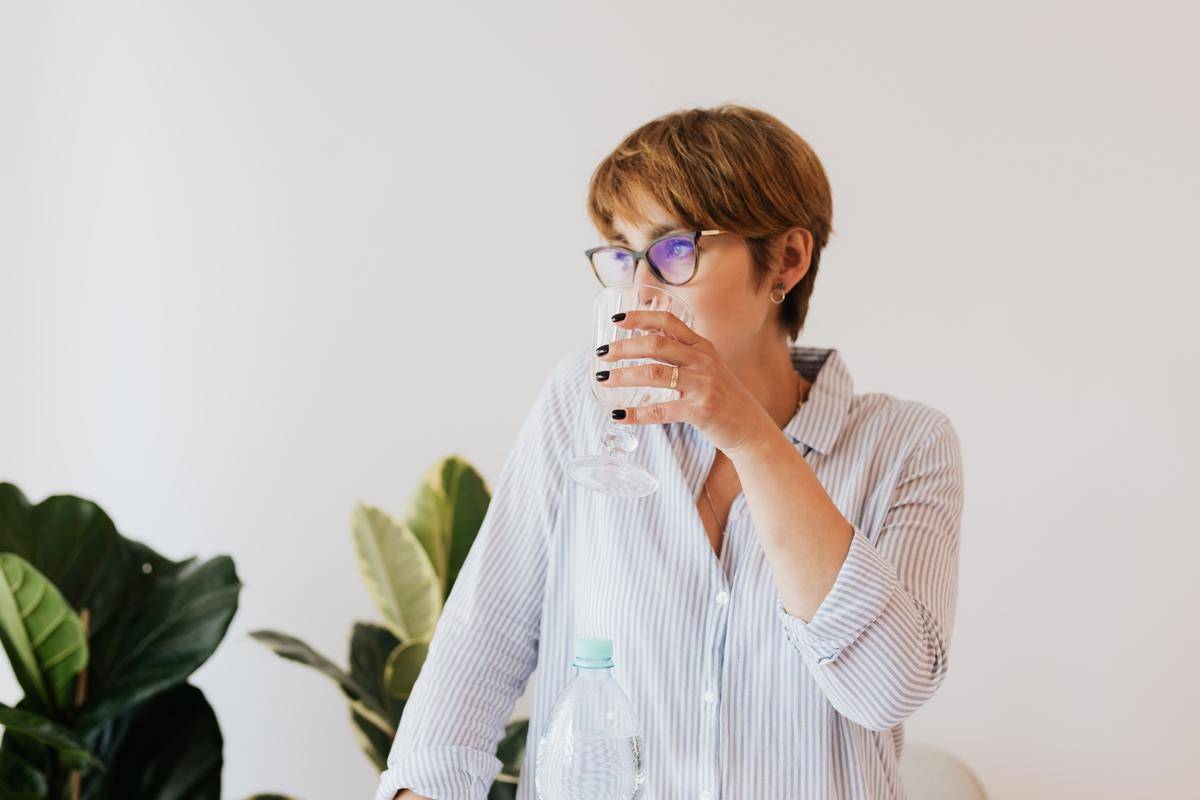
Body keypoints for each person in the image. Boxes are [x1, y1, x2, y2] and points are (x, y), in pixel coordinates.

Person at [377, 104, 964, 800]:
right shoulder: (584, 401)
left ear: (788, 259)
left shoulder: (906, 446)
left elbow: (885, 688)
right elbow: (479, 648)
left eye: (676, 249)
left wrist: (748, 435)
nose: (639, 291)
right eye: (624, 255)